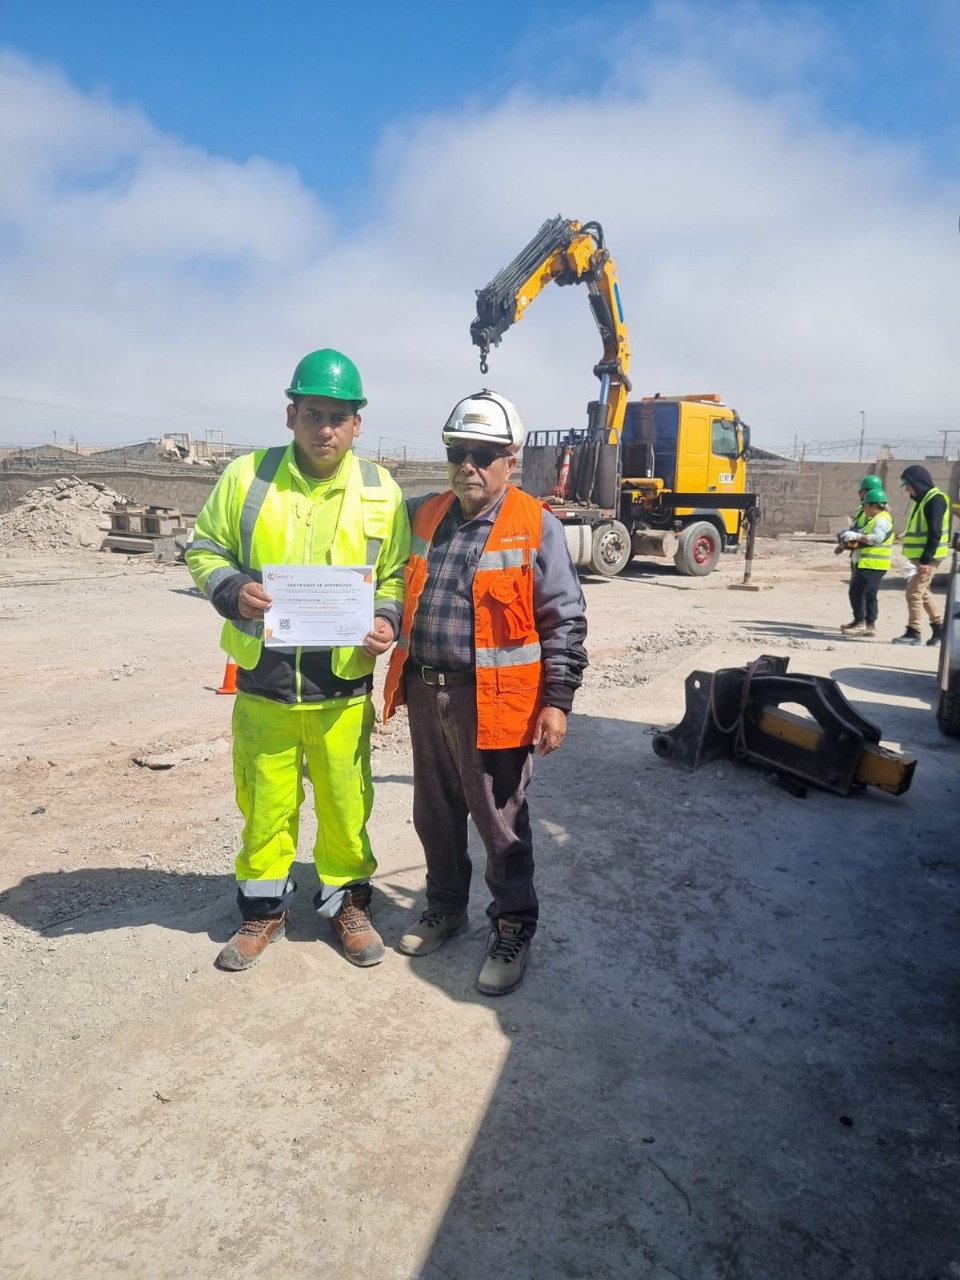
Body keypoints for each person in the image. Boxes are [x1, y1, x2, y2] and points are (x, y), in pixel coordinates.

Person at [186, 349, 410, 971]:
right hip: (266, 684)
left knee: (346, 804)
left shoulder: (379, 490)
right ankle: (263, 912)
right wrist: (233, 591)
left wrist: (386, 620)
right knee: (265, 803)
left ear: (358, 424)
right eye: (314, 413)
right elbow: (203, 547)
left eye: (340, 417)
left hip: (340, 688)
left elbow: (392, 573)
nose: (326, 429)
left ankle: (347, 905)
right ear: (292, 414)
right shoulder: (248, 478)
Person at [383, 390, 588, 997]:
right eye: (458, 452)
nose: (468, 465)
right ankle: (446, 906)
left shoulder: (534, 524)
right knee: (435, 814)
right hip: (427, 691)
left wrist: (558, 699)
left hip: (496, 700)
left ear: (510, 458)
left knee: (501, 822)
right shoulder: (423, 515)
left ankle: (513, 926)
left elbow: (564, 618)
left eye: (483, 454)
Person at [893, 465, 949, 646]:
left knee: (914, 593)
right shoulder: (924, 500)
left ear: (917, 483)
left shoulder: (935, 500)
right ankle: (939, 629)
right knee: (923, 593)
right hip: (922, 558)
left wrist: (925, 560)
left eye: (908, 485)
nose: (907, 490)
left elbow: (935, 532)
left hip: (929, 558)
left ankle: (914, 631)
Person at [838, 488, 894, 637]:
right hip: (869, 563)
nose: (863, 508)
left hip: (873, 564)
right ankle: (869, 625)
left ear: (872, 505)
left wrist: (856, 535)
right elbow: (865, 533)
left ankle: (862, 622)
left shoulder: (881, 520)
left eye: (865, 505)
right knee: (868, 594)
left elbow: (877, 538)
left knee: (857, 592)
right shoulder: (876, 518)